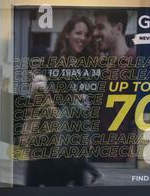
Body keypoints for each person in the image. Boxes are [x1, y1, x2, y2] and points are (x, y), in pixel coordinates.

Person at [52, 16, 103, 185]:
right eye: (78, 33)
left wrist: (90, 137)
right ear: (67, 34)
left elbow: (93, 103)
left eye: (86, 34)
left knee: (79, 180)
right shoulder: (55, 62)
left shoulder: (91, 63)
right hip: (61, 133)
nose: (82, 38)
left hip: (80, 131)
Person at [93, 10, 137, 163]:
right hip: (98, 157)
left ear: (118, 28)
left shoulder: (134, 63)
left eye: (100, 27)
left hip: (119, 160)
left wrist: (131, 161)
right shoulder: (102, 67)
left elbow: (139, 118)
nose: (95, 33)